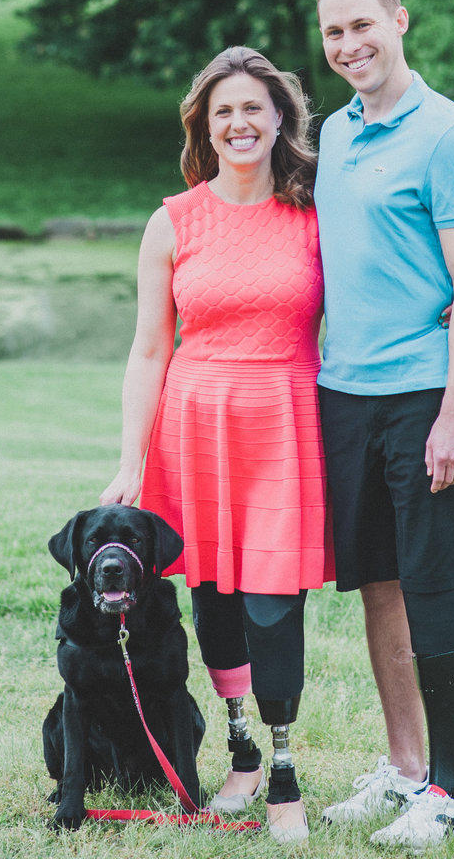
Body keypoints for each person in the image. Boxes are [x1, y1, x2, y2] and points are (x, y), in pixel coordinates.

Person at [100, 46, 332, 843]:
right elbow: (148, 350)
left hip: (284, 419)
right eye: (222, 110)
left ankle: (285, 770)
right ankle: (240, 753)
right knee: (217, 599)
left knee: (275, 603)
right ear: (206, 124)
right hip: (194, 426)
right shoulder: (172, 220)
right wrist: (131, 460)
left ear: (279, 120)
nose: (239, 123)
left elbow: (378, 287)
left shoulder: (314, 212)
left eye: (253, 109)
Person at [310, 0, 454, 852]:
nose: (350, 46)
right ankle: (402, 768)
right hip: (344, 397)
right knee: (377, 584)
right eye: (334, 33)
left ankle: (451, 789)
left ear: (400, 20)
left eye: (363, 26)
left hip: (426, 397)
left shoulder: (447, 136)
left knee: (432, 584)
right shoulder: (336, 136)